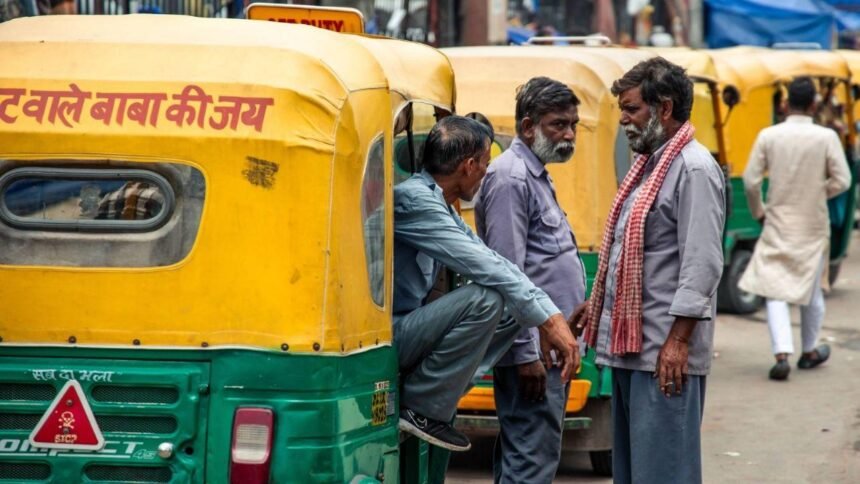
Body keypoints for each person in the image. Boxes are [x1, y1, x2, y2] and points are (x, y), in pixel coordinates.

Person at [572, 57, 725, 483]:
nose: (623, 119)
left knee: (663, 473)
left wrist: (678, 342)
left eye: (631, 108)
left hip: (663, 355)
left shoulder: (693, 168)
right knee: (633, 473)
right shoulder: (650, 167)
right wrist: (597, 304)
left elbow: (703, 263)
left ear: (665, 107)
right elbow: (632, 254)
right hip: (631, 353)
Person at [394, 115, 580, 453]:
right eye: (484, 164)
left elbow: (494, 260)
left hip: (412, 329)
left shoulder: (440, 203)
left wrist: (540, 318)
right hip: (395, 332)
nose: (485, 172)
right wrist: (550, 319)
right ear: (468, 166)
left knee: (511, 302)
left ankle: (445, 389)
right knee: (487, 298)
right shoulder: (414, 200)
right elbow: (484, 266)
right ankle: (421, 407)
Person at [475, 77, 586, 484]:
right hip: (533, 352)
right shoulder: (511, 178)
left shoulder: (534, 173)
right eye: (558, 124)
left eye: (572, 124)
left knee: (525, 459)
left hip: (549, 350)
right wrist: (525, 355)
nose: (568, 134)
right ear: (527, 127)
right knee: (531, 465)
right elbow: (508, 274)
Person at [738, 77, 851, 381]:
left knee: (775, 290)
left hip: (777, 220)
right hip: (812, 223)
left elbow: (750, 181)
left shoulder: (768, 135)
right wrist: (818, 192)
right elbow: (843, 181)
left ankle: (782, 353)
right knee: (812, 290)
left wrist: (760, 212)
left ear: (785, 104)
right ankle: (810, 351)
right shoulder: (826, 137)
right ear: (814, 105)